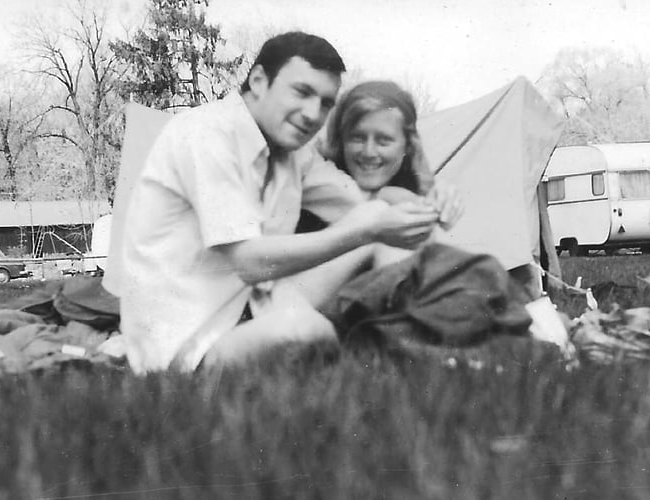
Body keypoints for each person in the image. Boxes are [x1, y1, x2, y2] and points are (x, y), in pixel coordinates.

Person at [118, 32, 442, 373]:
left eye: (326, 102)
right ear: (258, 81)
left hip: (258, 305)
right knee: (307, 332)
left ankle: (422, 359)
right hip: (187, 343)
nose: (312, 114)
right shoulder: (205, 134)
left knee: (382, 221)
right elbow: (249, 263)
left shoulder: (293, 152)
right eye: (301, 92)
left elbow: (363, 204)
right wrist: (365, 230)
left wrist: (426, 196)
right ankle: (380, 355)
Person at [321, 80, 464, 268]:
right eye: (357, 138)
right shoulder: (317, 175)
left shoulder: (412, 184)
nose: (369, 152)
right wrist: (386, 196)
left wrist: (437, 203)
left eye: (383, 141)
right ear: (341, 141)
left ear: (408, 146)